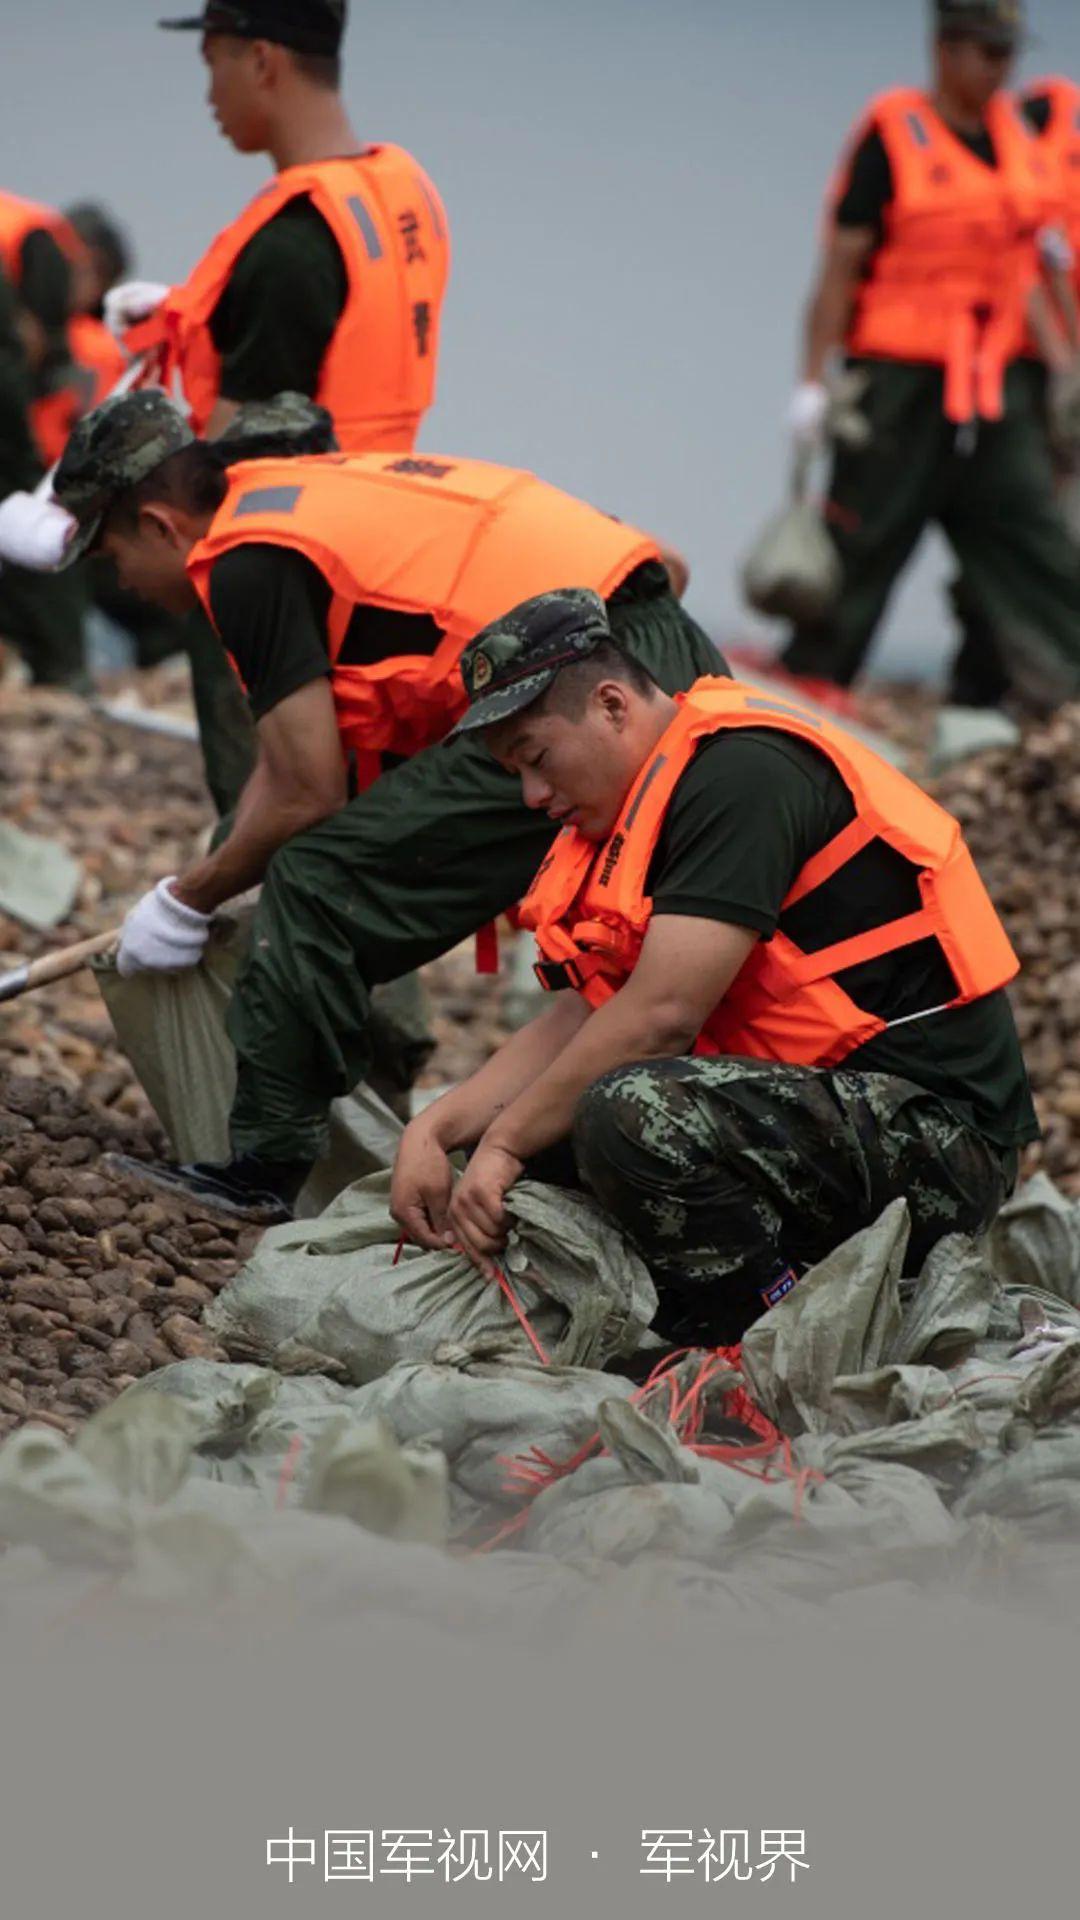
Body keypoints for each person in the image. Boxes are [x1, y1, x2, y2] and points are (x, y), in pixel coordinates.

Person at [47, 390, 725, 1217]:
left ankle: (263, 1170)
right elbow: (666, 564)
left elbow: (305, 794)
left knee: (313, 883)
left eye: (114, 558)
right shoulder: (311, 489)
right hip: (655, 654)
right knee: (623, 933)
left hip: (574, 688)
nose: (125, 583)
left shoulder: (246, 559)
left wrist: (186, 900)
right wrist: (211, 871)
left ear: (158, 524)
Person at [390, 593, 1038, 1346]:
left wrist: (504, 1145)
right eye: (516, 774)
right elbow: (591, 1013)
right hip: (812, 1117)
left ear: (611, 706)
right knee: (531, 1128)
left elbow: (662, 1016)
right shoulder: (638, 803)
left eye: (536, 759)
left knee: (624, 1113)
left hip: (939, 1143)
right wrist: (439, 1130)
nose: (533, 796)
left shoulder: (740, 777)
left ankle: (764, 1334)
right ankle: (691, 1299)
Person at [98, 0, 451, 816]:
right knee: (348, 810)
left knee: (273, 820)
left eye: (213, 62)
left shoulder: (292, 240)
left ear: (262, 60)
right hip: (379, 551)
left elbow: (221, 475)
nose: (208, 93)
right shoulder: (401, 199)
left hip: (281, 570)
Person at [774, 0, 1080, 712]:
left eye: (1009, 55)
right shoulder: (893, 136)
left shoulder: (1019, 140)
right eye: (988, 53)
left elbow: (1038, 263)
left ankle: (1063, 683)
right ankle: (809, 686)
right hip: (899, 381)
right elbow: (840, 268)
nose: (1002, 71)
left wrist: (1063, 363)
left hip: (996, 383)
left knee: (1031, 530)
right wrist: (813, 384)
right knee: (865, 535)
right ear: (946, 49)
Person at [950, 70, 1080, 710]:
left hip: (1053, 377)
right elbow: (1024, 258)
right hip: (1021, 376)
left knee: (1038, 533)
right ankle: (996, 680)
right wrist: (1064, 364)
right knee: (1029, 531)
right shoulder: (1040, 117)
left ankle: (1003, 679)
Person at [0, 193, 89, 686]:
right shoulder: (28, 231)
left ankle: (52, 662)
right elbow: (42, 335)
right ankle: (58, 663)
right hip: (26, 428)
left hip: (37, 431)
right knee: (25, 515)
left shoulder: (23, 232)